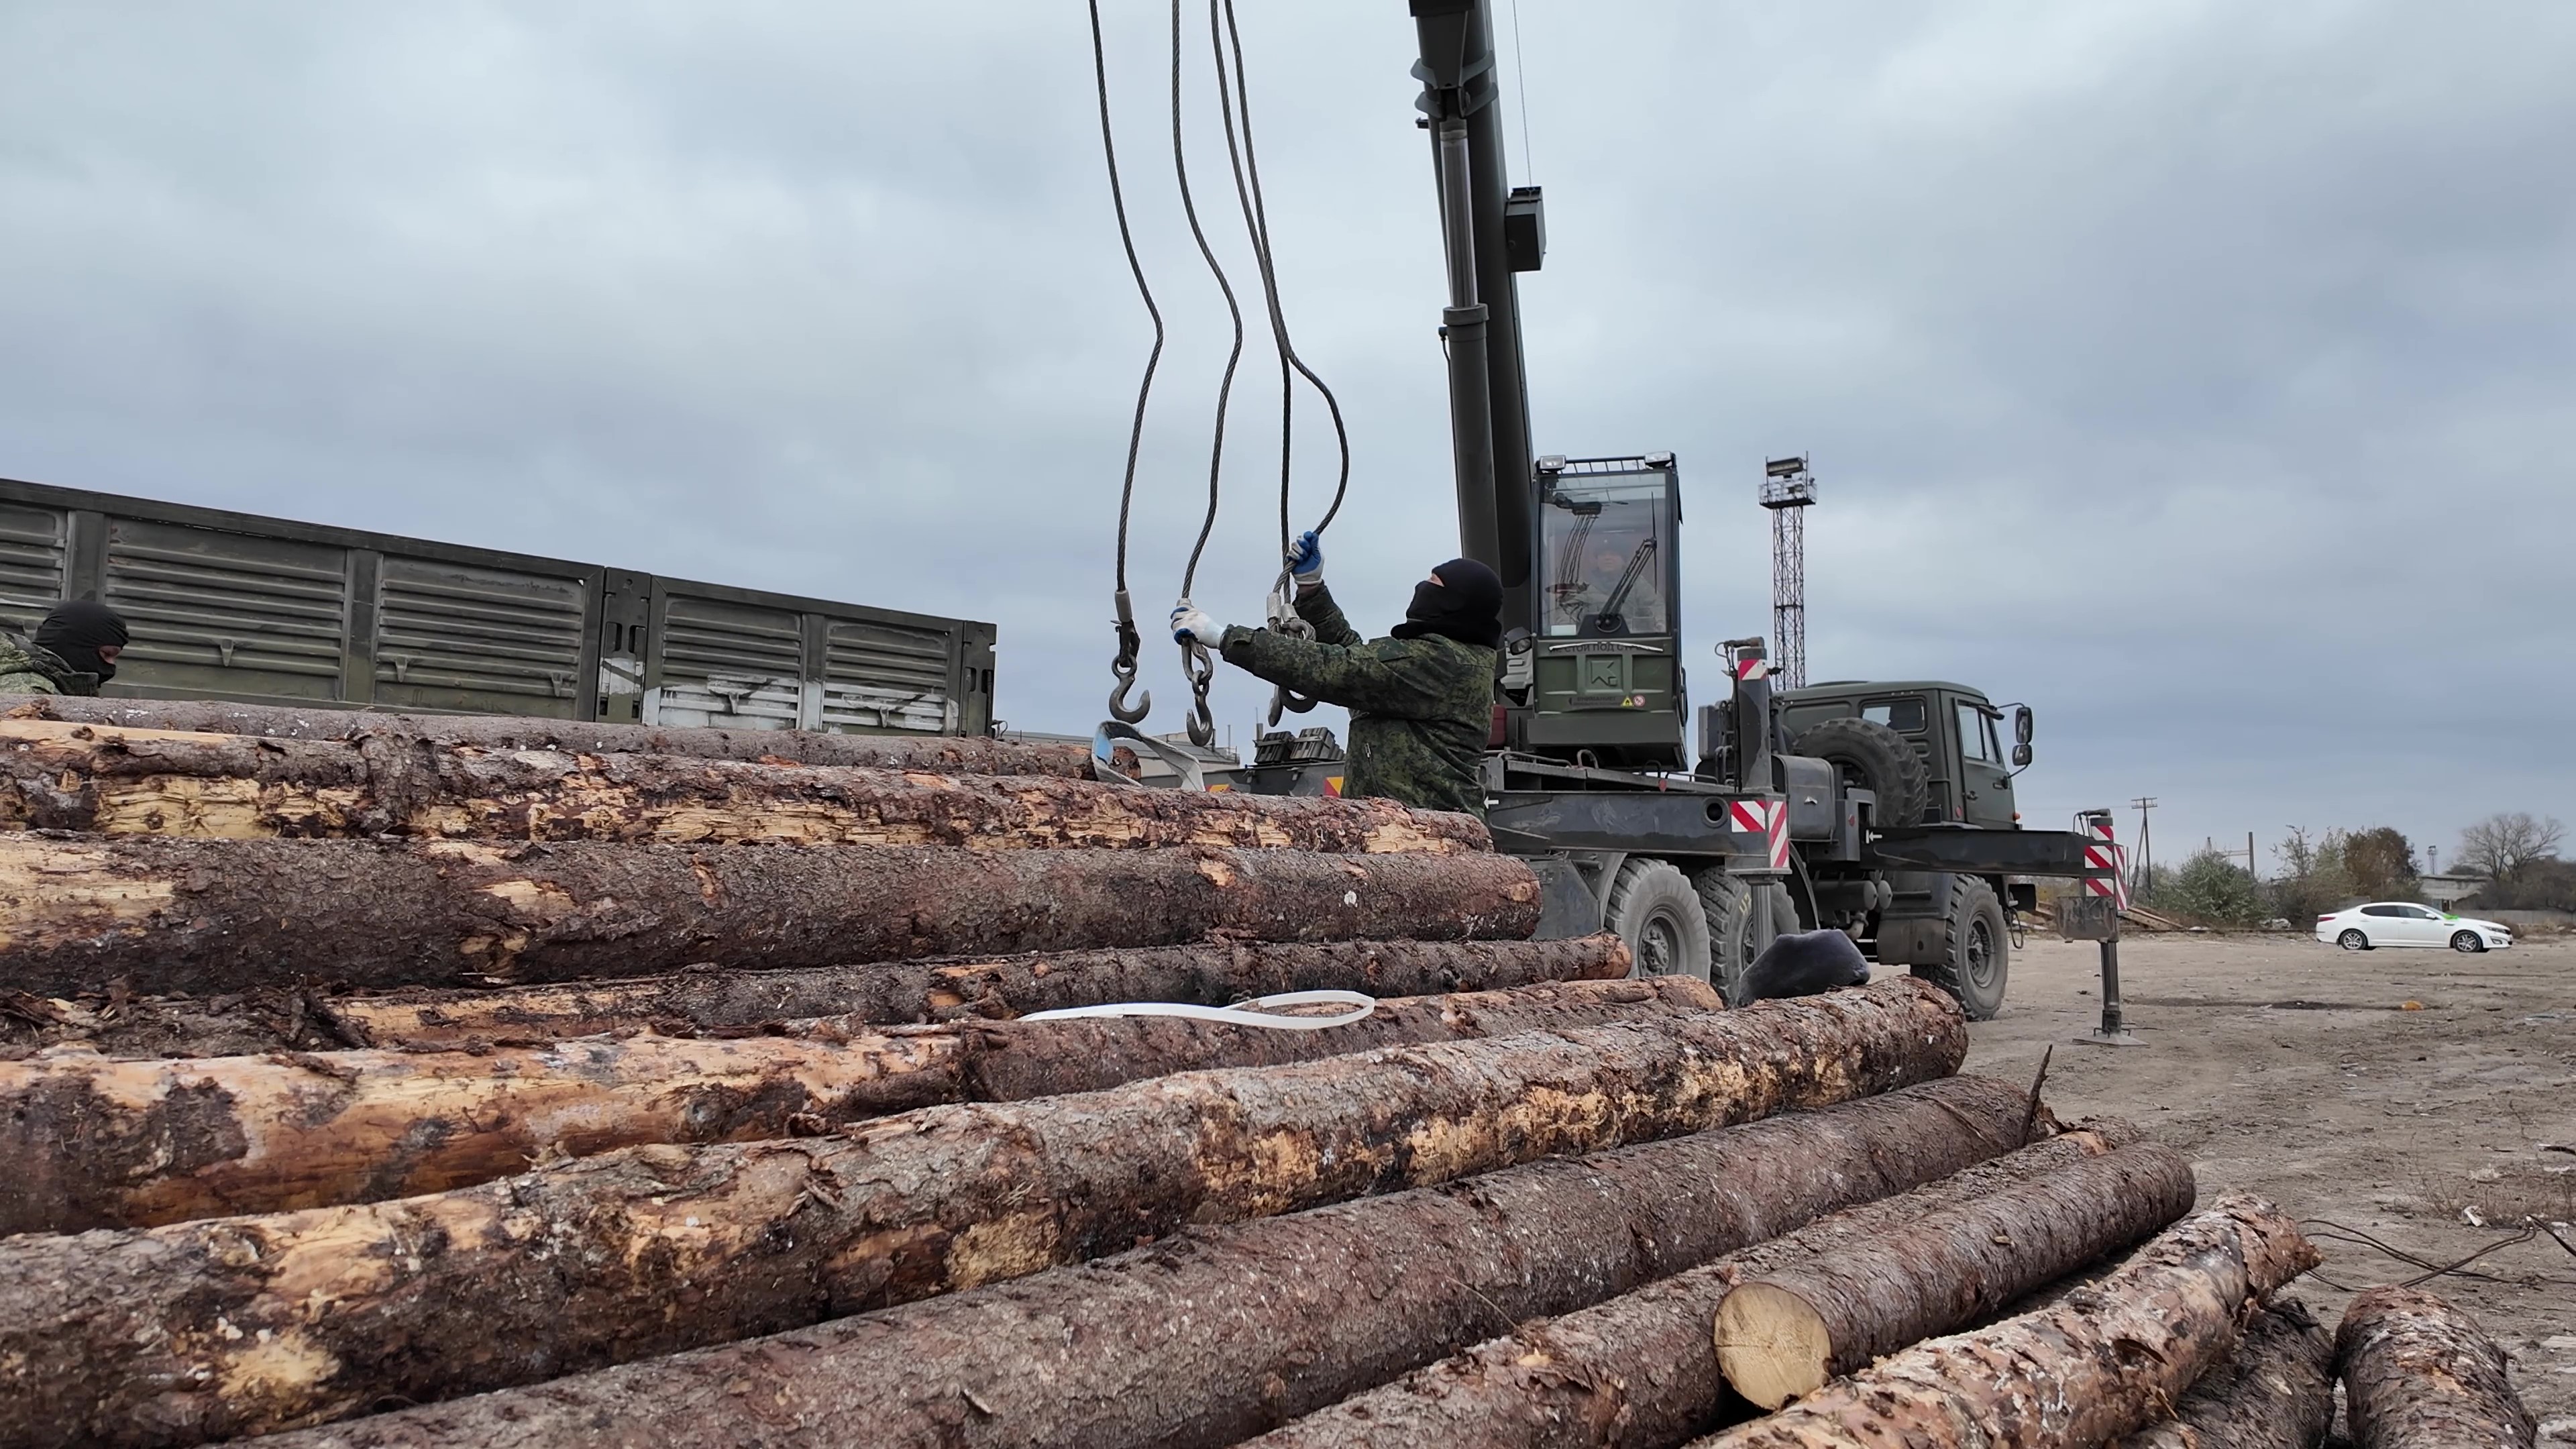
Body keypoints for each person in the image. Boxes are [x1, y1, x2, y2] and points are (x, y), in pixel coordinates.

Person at [1172, 533, 1499, 817]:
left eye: (1433, 585)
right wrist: (1312, 591)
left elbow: (1340, 669)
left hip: (1427, 840)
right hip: (1400, 834)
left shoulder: (1441, 662)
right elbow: (1354, 658)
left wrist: (1224, 637)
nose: (1421, 589)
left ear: (1456, 603)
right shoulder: (1438, 662)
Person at [0, 600, 130, 696]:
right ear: (74, 644)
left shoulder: (55, 687)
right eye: (107, 654)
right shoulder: (33, 694)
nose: (111, 665)